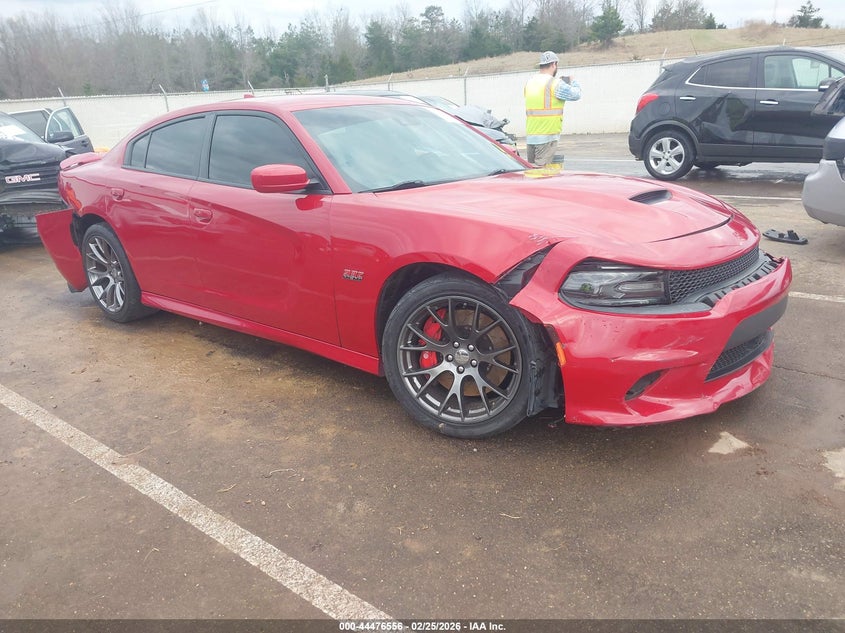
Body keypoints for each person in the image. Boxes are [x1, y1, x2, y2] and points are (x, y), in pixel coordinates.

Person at [524, 51, 582, 166]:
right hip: (547, 136)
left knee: (531, 170)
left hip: (531, 136)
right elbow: (576, 94)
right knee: (541, 173)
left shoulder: (529, 83)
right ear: (554, 64)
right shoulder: (554, 83)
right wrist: (572, 81)